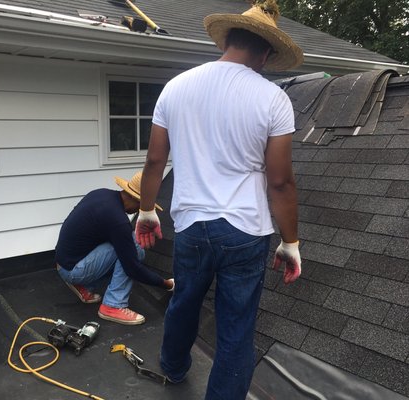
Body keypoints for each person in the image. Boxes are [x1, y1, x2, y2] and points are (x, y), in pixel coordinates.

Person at [135, 0, 303, 398]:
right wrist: (291, 242)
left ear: (225, 40)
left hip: (192, 225)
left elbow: (155, 160)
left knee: (185, 301)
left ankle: (174, 369)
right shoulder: (273, 98)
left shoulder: (175, 87)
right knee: (236, 328)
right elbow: (280, 183)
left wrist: (145, 212)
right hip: (245, 232)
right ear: (264, 53)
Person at [54, 171, 174, 325]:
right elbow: (132, 269)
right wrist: (166, 284)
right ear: (134, 198)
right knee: (135, 247)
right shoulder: (118, 221)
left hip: (63, 261)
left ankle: (84, 285)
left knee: (126, 246)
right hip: (73, 270)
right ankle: (113, 305)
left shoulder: (101, 194)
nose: (139, 211)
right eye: (141, 206)